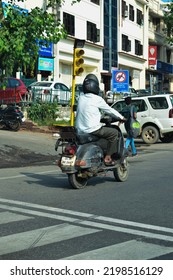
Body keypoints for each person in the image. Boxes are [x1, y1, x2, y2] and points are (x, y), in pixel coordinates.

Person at [75, 73, 125, 166]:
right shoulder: (97, 99)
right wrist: (121, 117)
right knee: (114, 133)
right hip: (93, 129)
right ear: (96, 86)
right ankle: (108, 157)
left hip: (80, 130)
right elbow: (109, 110)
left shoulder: (81, 98)